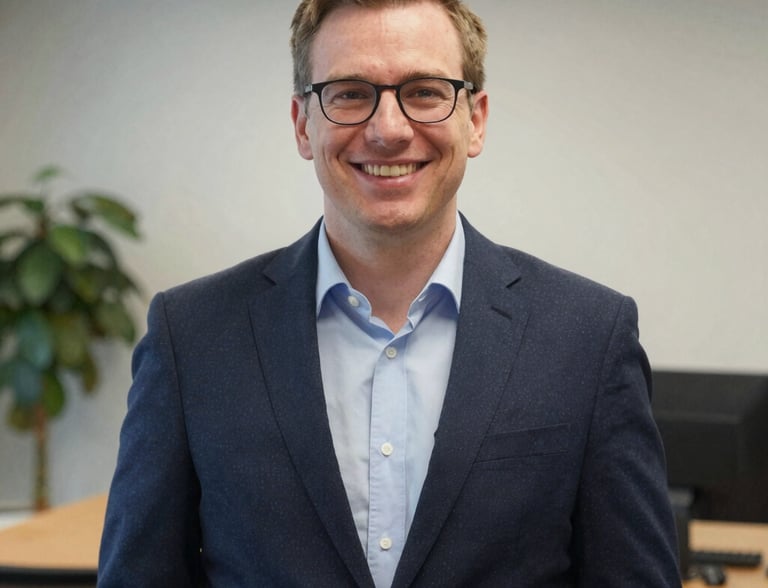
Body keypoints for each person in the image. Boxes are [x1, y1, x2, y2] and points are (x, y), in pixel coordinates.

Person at [98, 0, 681, 586]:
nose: (388, 129)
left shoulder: (587, 336)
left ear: (475, 120)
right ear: (304, 125)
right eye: (350, 93)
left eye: (425, 91)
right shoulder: (192, 338)